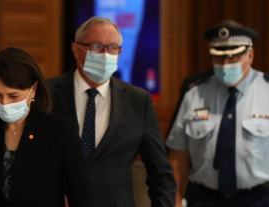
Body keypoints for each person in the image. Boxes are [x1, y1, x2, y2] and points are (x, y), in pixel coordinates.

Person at [46, 16, 176, 207]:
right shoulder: (46, 94)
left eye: (113, 48)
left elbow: (161, 174)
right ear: (76, 50)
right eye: (97, 46)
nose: (106, 54)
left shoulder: (138, 101)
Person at [0, 47, 93, 207]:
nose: (4, 103)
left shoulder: (60, 133)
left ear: (33, 89)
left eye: (13, 96)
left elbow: (82, 199)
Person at [167, 20, 269, 207]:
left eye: (233, 58)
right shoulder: (194, 94)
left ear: (250, 55)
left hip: (258, 198)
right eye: (219, 58)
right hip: (204, 198)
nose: (225, 64)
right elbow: (179, 155)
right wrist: (175, 200)